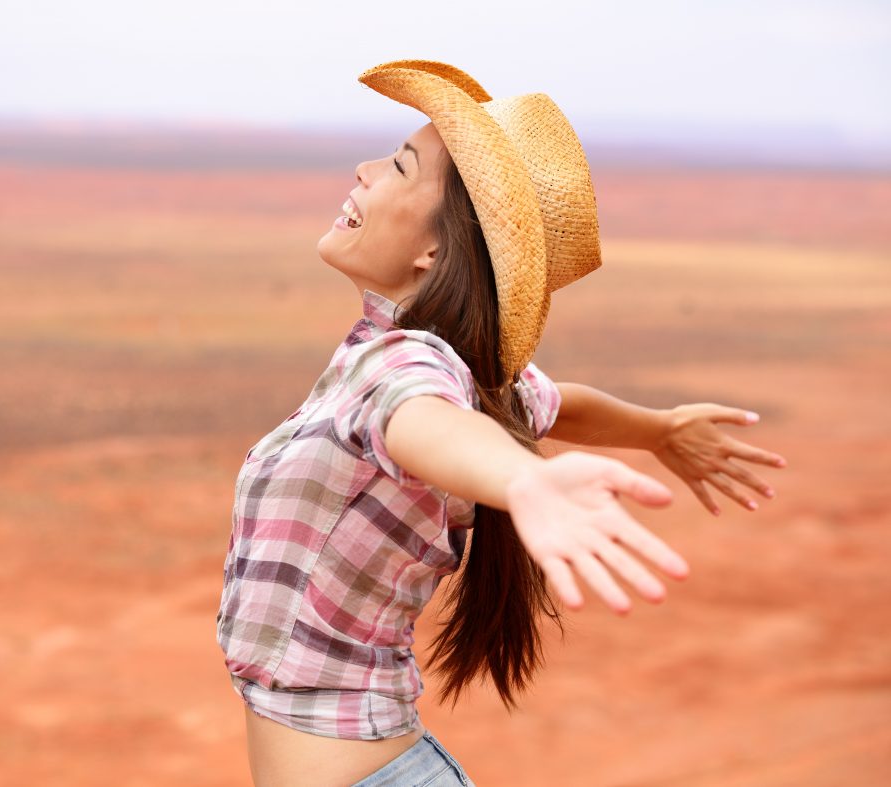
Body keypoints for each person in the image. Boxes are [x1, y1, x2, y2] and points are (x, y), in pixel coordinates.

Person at [215, 60, 786, 787]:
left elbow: (417, 421)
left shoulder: (404, 370)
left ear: (436, 250)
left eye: (398, 165)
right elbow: (551, 402)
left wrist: (523, 480)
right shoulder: (475, 380)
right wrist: (660, 429)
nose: (363, 171)